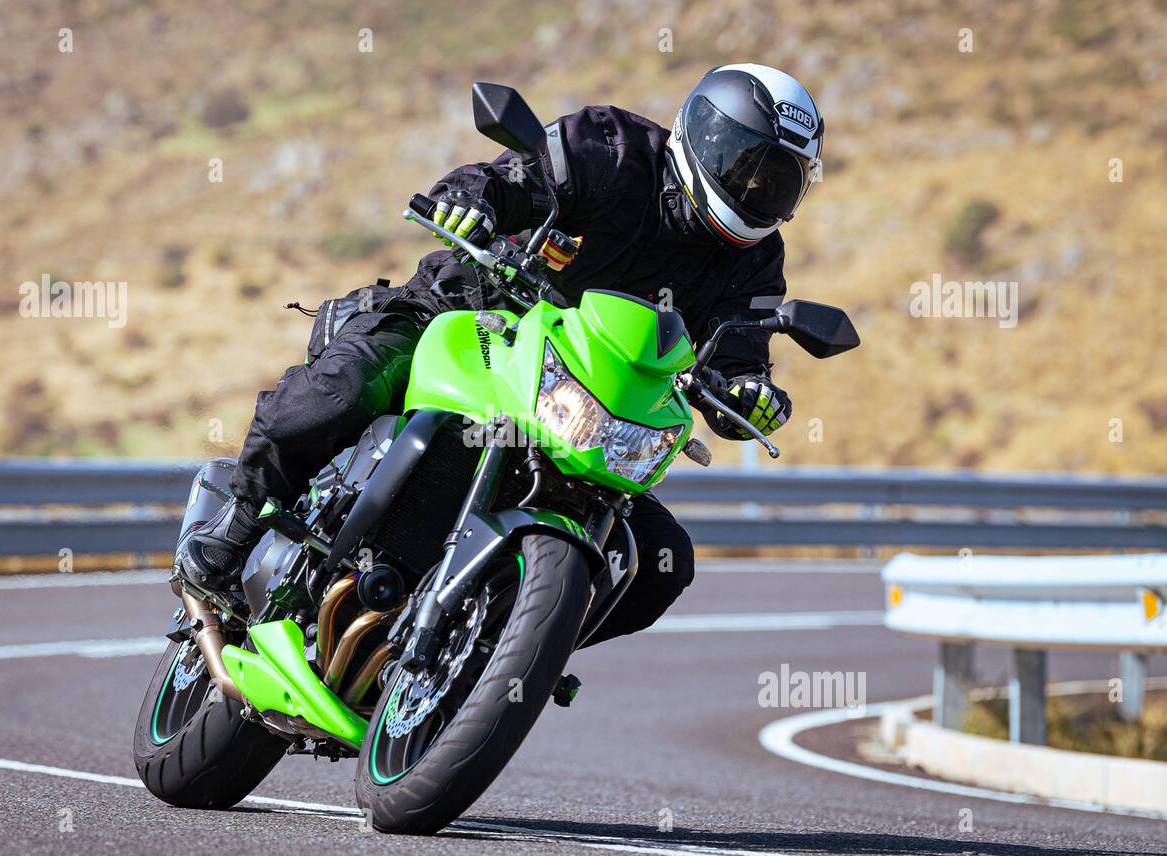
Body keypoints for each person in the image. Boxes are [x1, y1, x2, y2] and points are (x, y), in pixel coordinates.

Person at [179, 63, 825, 647]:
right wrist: (472, 203)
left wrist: (748, 390)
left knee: (658, 560)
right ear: (704, 135)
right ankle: (237, 524)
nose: (754, 186)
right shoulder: (611, 149)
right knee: (341, 392)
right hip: (471, 316)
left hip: (584, 407)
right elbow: (511, 179)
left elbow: (739, 347)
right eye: (746, 163)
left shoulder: (755, 259)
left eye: (778, 180)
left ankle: (494, 650)